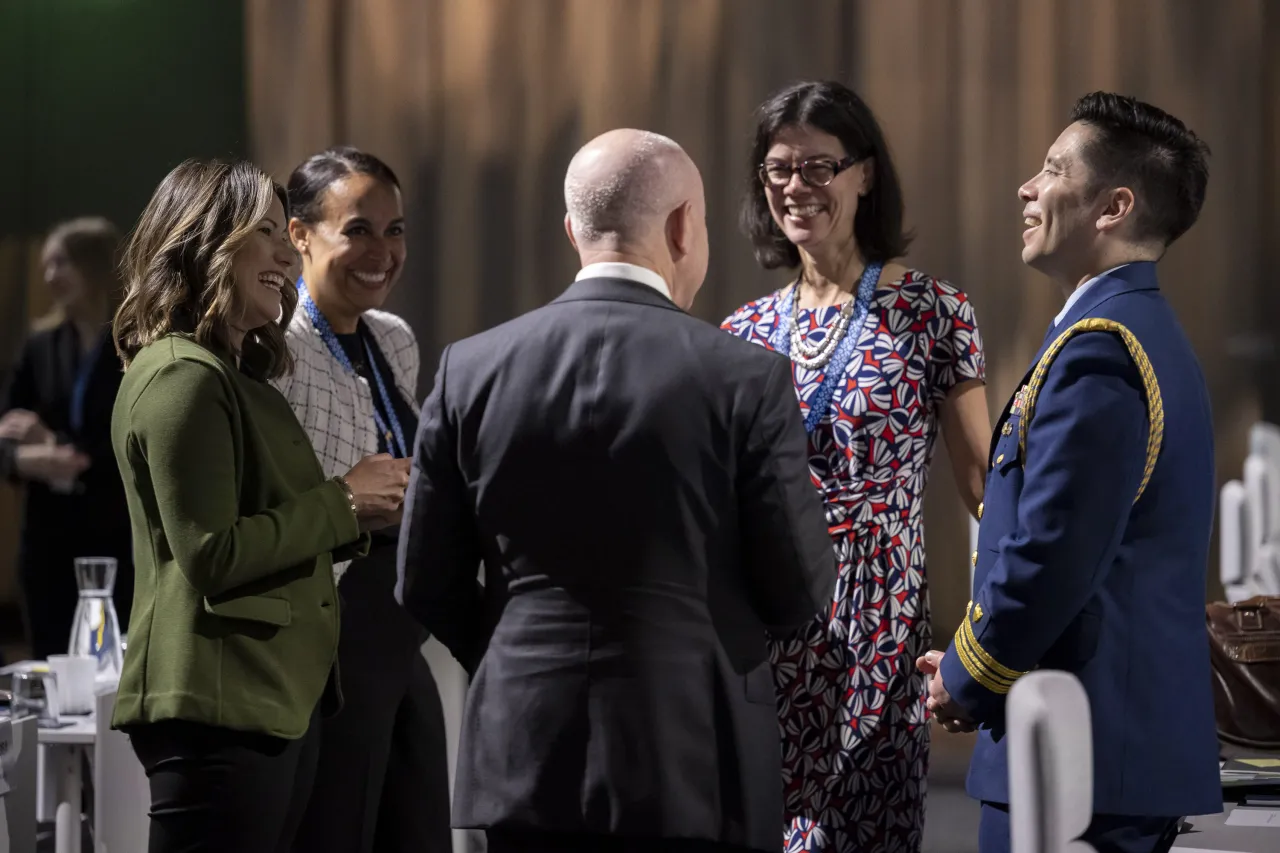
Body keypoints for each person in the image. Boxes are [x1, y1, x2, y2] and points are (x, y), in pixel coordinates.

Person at [396, 128, 835, 853]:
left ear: (572, 230)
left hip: (523, 750)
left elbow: (423, 579)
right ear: (682, 226)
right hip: (697, 757)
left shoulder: (468, 370)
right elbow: (797, 589)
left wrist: (517, 651)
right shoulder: (743, 378)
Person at [919, 92, 1220, 853]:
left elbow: (1053, 552)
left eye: (1053, 169)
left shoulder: (1102, 348)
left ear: (1113, 206)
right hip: (1092, 747)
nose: (1026, 187)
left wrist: (964, 671)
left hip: (1080, 756)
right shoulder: (1127, 331)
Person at [720, 80, 991, 852]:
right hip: (772, 625)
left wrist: (987, 635)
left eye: (818, 168)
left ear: (864, 174)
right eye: (778, 170)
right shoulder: (745, 329)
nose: (796, 188)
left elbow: (983, 489)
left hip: (880, 624)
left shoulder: (934, 311)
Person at [109, 158, 410, 853]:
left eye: (285, 235)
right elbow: (211, 552)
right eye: (266, 233)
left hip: (269, 698)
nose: (285, 253)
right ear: (205, 242)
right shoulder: (182, 374)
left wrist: (361, 514)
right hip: (220, 703)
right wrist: (344, 499)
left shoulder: (234, 375)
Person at [275, 146, 451, 853]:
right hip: (326, 644)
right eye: (358, 229)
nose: (382, 250)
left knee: (417, 826)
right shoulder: (275, 352)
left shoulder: (394, 339)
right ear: (299, 235)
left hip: (398, 637)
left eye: (396, 229)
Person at [0, 217, 134, 659]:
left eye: (62, 263)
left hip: (115, 535)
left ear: (95, 266)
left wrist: (52, 442)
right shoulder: (41, 346)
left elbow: (133, 435)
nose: (50, 277)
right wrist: (27, 460)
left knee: (113, 666)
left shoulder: (133, 343)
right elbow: (6, 430)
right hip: (48, 541)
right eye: (46, 266)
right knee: (50, 664)